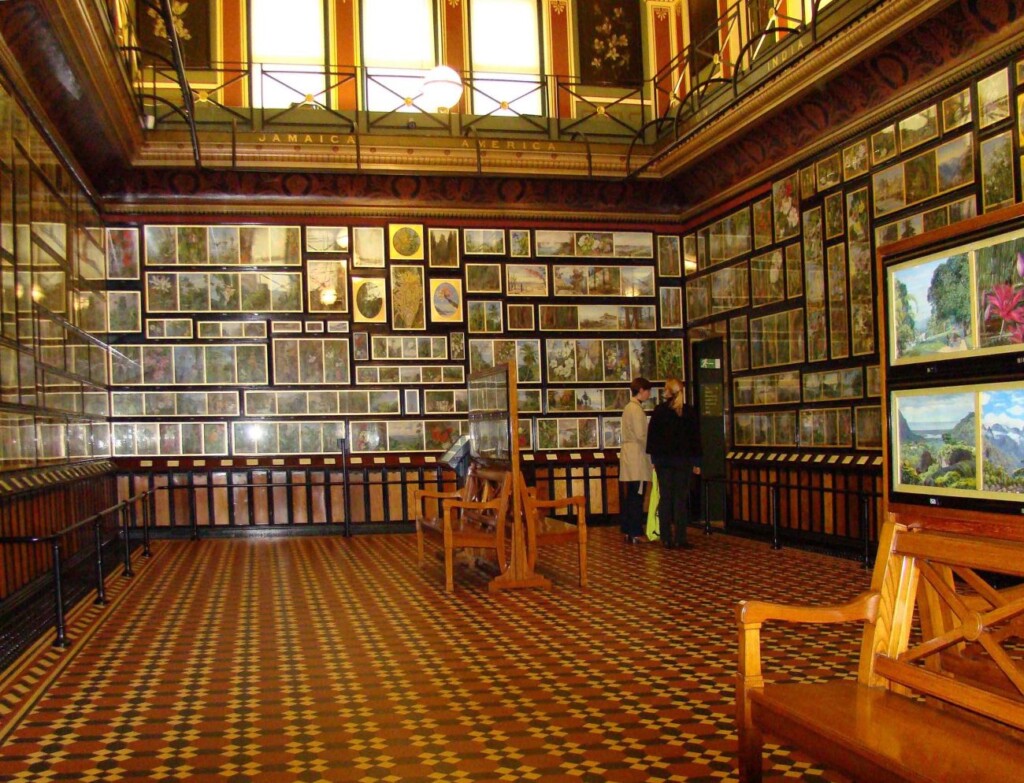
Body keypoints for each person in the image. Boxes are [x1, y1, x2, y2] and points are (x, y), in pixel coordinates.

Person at [646, 378, 701, 549]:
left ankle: (666, 537)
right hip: (683, 462)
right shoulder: (689, 412)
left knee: (666, 499)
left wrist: (655, 460)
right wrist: (697, 462)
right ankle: (681, 537)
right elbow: (695, 439)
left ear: (667, 392)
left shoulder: (659, 411)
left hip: (663, 462)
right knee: (680, 500)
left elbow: (653, 438)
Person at [619, 377, 652, 544]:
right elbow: (641, 435)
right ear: (641, 390)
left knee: (631, 495)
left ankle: (628, 530)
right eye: (648, 391)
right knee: (637, 496)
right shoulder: (637, 410)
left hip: (629, 456)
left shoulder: (628, 408)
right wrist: (652, 450)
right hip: (637, 457)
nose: (649, 394)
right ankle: (635, 531)